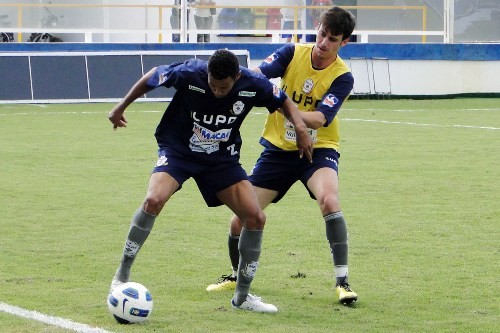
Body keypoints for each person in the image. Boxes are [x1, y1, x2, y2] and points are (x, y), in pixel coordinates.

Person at [107, 49, 313, 313]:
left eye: (223, 87)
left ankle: (242, 298)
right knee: (153, 199)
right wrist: (121, 106)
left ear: (237, 77)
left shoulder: (253, 83)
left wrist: (299, 127)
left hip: (221, 160)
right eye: (213, 86)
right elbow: (152, 75)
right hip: (179, 150)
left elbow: (283, 100)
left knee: (255, 218)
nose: (217, 91)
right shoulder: (190, 73)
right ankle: (121, 276)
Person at [205, 7, 359, 305]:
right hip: (277, 151)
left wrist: (284, 107)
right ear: (318, 27)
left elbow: (320, 118)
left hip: (318, 150)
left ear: (345, 43)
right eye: (323, 34)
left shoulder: (343, 77)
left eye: (333, 39)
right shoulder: (292, 53)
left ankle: (343, 282)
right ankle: (237, 276)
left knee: (329, 199)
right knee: (240, 220)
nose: (324, 43)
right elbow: (260, 74)